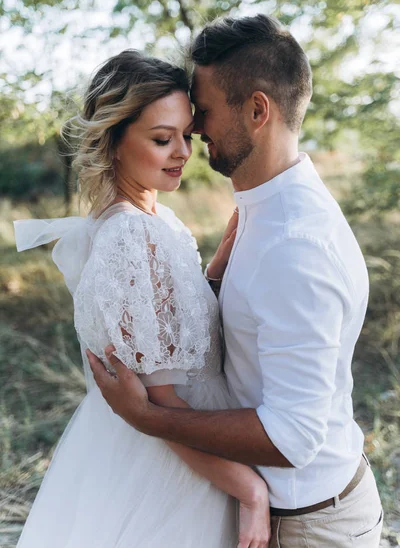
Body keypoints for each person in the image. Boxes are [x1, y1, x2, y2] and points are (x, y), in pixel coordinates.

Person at [88, 15, 384, 548]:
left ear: (257, 110)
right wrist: (211, 283)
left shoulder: (293, 244)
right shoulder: (261, 214)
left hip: (308, 523)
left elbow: (292, 436)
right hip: (274, 508)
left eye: (202, 112)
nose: (195, 129)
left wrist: (147, 417)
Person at [13, 50, 272, 548]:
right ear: (112, 142)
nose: (182, 152)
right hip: (177, 463)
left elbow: (175, 317)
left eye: (186, 135)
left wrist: (218, 262)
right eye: (161, 139)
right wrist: (249, 491)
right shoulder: (129, 238)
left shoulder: (156, 222)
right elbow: (157, 400)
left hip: (191, 442)